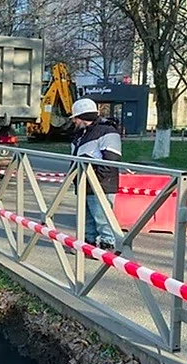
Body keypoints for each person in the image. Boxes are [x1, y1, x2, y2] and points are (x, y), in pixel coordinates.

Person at [70, 98, 122, 250]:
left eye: (75, 118)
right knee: (87, 220)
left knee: (103, 220)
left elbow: (112, 159)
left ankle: (108, 247)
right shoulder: (81, 134)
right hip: (84, 184)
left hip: (101, 185)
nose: (73, 121)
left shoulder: (107, 131)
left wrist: (95, 180)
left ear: (82, 117)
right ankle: (88, 245)